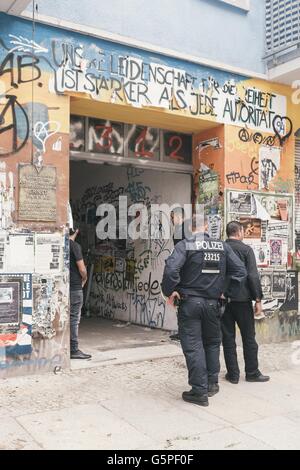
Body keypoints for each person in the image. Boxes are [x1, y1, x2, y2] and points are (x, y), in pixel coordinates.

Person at [161, 214, 247, 407]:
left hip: (190, 303)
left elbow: (171, 269)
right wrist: (226, 292)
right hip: (213, 304)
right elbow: (241, 271)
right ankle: (212, 384)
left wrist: (171, 290)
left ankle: (199, 391)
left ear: (191, 228)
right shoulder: (222, 246)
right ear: (207, 226)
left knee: (193, 346)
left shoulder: (185, 245)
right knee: (212, 344)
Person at [222, 221, 270, 384]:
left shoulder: (221, 248)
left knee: (228, 338)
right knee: (249, 337)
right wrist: (258, 299)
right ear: (240, 232)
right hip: (242, 300)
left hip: (224, 300)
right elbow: (252, 276)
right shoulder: (246, 250)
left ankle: (233, 375)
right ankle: (251, 372)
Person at [69, 228, 91, 360]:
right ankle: (73, 349)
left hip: (65, 287)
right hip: (75, 287)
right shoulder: (75, 246)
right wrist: (85, 278)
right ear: (77, 230)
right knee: (74, 319)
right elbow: (82, 268)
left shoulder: (61, 244)